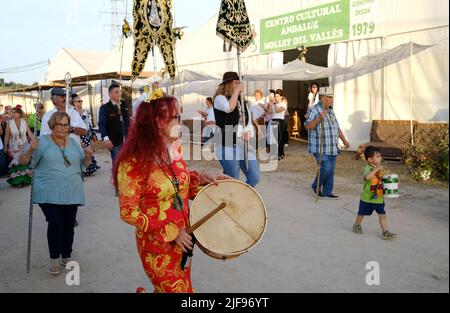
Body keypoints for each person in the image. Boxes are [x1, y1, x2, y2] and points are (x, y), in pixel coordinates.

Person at [113, 96, 229, 293]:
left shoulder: (174, 149)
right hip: (158, 247)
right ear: (158, 123)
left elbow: (179, 189)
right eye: (176, 117)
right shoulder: (133, 162)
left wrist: (210, 183)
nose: (181, 123)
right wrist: (171, 231)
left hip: (185, 240)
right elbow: (128, 212)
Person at [20, 112, 93, 275]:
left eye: (66, 124)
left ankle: (66, 255)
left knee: (68, 225)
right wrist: (30, 151)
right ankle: (54, 257)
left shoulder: (74, 142)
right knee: (56, 222)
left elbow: (83, 166)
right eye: (59, 124)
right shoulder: (41, 142)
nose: (62, 128)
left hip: (71, 191)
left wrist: (88, 157)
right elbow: (23, 162)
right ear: (52, 126)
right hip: (48, 191)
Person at [213, 71, 260, 187]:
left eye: (239, 83)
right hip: (226, 142)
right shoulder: (219, 99)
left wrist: (248, 133)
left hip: (242, 143)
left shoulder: (243, 101)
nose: (239, 85)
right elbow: (229, 107)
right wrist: (237, 91)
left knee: (254, 177)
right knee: (233, 179)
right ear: (228, 84)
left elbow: (247, 122)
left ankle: (241, 195)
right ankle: (231, 201)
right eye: (235, 83)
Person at [305, 86, 350, 200]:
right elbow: (307, 126)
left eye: (332, 98)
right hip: (320, 147)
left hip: (332, 146)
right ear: (322, 98)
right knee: (326, 167)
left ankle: (327, 192)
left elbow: (337, 127)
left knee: (331, 170)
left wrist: (344, 139)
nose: (332, 100)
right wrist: (319, 118)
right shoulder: (314, 110)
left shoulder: (330, 111)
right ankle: (316, 185)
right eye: (329, 97)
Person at [352, 146, 398, 240]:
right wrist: (376, 169)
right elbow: (366, 177)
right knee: (362, 213)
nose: (380, 158)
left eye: (380, 156)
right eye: (377, 156)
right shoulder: (367, 168)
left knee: (382, 214)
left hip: (379, 197)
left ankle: (385, 231)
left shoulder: (381, 169)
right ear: (370, 159)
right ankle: (357, 224)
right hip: (367, 197)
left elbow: (384, 179)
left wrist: (393, 182)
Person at [98, 84, 131, 163]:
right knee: (117, 164)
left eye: (119, 92)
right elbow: (101, 124)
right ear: (110, 94)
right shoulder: (105, 108)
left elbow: (128, 121)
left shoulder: (124, 105)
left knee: (128, 164)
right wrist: (106, 139)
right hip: (115, 142)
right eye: (116, 92)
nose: (119, 94)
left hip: (127, 140)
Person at [3, 107, 35, 187]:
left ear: (19, 114)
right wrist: (5, 146)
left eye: (14, 112)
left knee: (23, 163)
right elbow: (6, 136)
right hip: (14, 147)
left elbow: (29, 133)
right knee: (17, 164)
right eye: (12, 112)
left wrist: (34, 140)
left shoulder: (24, 122)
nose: (12, 114)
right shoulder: (9, 123)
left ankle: (24, 180)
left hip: (24, 145)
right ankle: (17, 181)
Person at [72, 94, 100, 176]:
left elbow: (89, 124)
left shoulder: (84, 111)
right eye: (78, 101)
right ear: (74, 103)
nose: (81, 102)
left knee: (88, 151)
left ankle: (89, 168)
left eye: (81, 101)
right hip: (78, 136)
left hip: (86, 135)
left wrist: (93, 134)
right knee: (81, 152)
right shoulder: (72, 113)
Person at [268, 89, 288, 160]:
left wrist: (273, 103)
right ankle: (279, 153)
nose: (276, 97)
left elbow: (277, 110)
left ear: (281, 97)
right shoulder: (274, 104)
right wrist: (270, 104)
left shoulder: (283, 104)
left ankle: (279, 154)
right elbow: (269, 112)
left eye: (278, 96)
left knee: (279, 138)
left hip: (280, 121)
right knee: (274, 138)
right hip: (273, 120)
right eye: (275, 96)